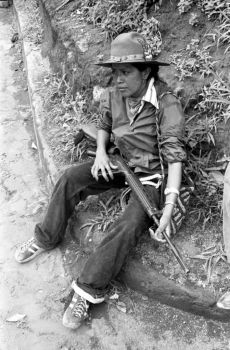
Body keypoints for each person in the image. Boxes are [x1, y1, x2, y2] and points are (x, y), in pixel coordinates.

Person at [15, 32, 186, 330]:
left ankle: (87, 289)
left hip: (149, 177)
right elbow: (104, 124)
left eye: (125, 72)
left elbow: (174, 158)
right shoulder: (115, 93)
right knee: (70, 177)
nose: (118, 80)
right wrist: (101, 156)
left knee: (131, 223)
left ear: (145, 72)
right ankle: (47, 236)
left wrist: (169, 205)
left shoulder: (167, 104)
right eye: (115, 73)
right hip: (119, 164)